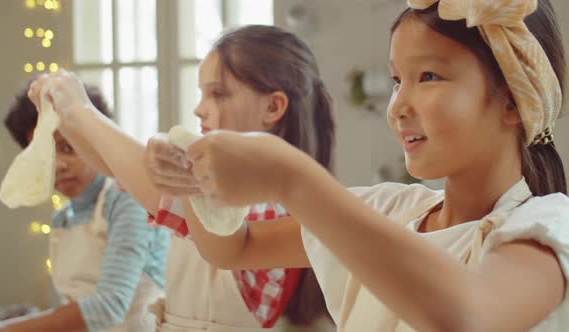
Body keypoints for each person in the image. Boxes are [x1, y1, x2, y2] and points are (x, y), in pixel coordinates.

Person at [152, 0, 569, 331]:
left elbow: (469, 318)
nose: (398, 107)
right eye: (395, 81)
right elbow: (233, 248)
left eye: (428, 77)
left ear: (514, 99)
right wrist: (190, 174)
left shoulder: (549, 226)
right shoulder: (390, 209)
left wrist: (291, 177)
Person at [27, 25, 333, 331]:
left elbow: (156, 187)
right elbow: (115, 166)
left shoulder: (268, 199)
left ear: (273, 107)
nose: (199, 109)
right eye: (202, 93)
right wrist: (65, 117)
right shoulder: (223, 188)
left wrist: (79, 109)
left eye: (218, 93)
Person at [0, 84, 170, 332]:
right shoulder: (62, 218)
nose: (58, 165)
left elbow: (108, 307)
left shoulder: (127, 200)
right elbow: (72, 305)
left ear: (95, 142)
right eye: (45, 155)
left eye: (67, 148)